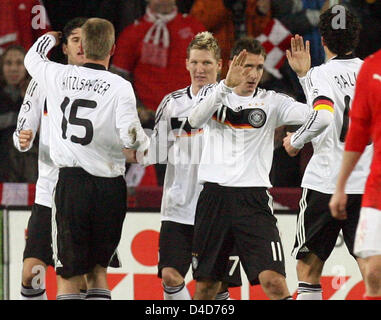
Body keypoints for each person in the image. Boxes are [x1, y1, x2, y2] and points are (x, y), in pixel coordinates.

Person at [23, 18, 149, 300]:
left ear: (84, 45)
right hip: (110, 187)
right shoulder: (120, 86)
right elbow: (131, 139)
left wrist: (52, 38)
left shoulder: (55, 75)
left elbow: (31, 58)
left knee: (68, 275)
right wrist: (147, 147)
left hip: (73, 184)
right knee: (98, 271)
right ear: (113, 49)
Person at [187, 37, 311, 300]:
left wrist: (304, 77)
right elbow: (194, 119)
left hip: (253, 200)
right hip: (214, 198)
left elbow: (319, 114)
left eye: (259, 67)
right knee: (207, 288)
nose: (254, 74)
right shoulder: (213, 93)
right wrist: (224, 87)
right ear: (233, 65)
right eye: (247, 66)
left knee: (274, 282)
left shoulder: (273, 101)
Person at [139, 31, 241, 300]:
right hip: (178, 206)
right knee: (171, 276)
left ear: (220, 65)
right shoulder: (172, 103)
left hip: (218, 207)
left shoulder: (233, 101)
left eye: (207, 63)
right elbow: (156, 153)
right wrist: (134, 142)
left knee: (215, 287)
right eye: (195, 62)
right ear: (186, 63)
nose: (200, 69)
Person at [282, 6, 372, 300]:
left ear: (322, 39)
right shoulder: (373, 73)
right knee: (373, 271)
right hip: (366, 186)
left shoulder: (321, 74)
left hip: (325, 182)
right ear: (356, 37)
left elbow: (321, 116)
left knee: (308, 271)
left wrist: (295, 140)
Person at [14, 17, 90, 300]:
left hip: (84, 193)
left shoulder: (107, 83)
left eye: (87, 40)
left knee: (79, 278)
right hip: (48, 192)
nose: (81, 46)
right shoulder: (45, 78)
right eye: (74, 40)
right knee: (31, 275)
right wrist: (22, 139)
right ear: (65, 47)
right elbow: (25, 123)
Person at [329, 48, 381, 300]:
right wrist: (341, 186)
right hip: (376, 187)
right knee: (373, 271)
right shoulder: (370, 68)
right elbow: (358, 131)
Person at [111, 0, 205, 128]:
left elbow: (212, 73)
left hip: (190, 119)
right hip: (147, 122)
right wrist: (137, 110)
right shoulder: (132, 33)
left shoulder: (195, 28)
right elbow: (118, 80)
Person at [0, 44, 37, 182]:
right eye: (8, 63)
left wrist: (29, 98)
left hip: (31, 166)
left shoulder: (38, 93)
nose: (14, 68)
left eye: (19, 63)